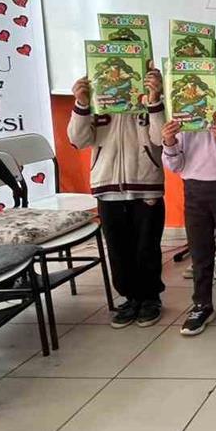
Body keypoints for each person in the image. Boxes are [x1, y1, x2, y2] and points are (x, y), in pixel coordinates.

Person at [67, 63, 167, 329]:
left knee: (147, 246)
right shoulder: (98, 95)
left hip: (146, 182)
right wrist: (81, 103)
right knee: (118, 248)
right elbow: (78, 140)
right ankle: (130, 297)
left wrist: (154, 100)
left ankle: (150, 298)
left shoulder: (153, 93)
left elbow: (161, 139)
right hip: (107, 184)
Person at [162, 42, 216, 335]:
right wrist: (169, 142)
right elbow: (174, 165)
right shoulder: (184, 125)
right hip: (194, 194)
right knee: (200, 255)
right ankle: (201, 305)